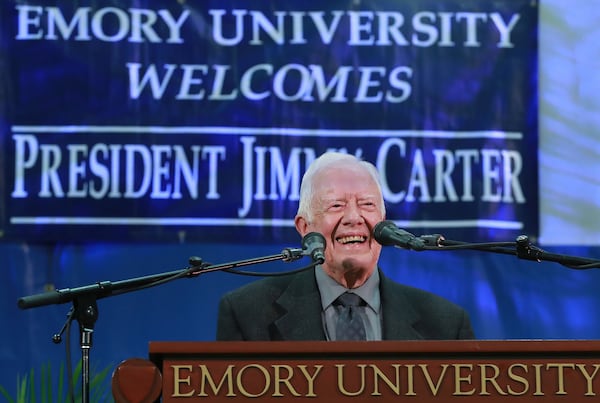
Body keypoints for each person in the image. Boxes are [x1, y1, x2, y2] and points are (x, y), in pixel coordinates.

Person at [216, 151, 475, 341]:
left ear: (384, 223)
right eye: (336, 205)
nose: (354, 218)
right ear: (305, 228)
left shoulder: (446, 324)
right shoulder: (247, 313)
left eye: (367, 205)